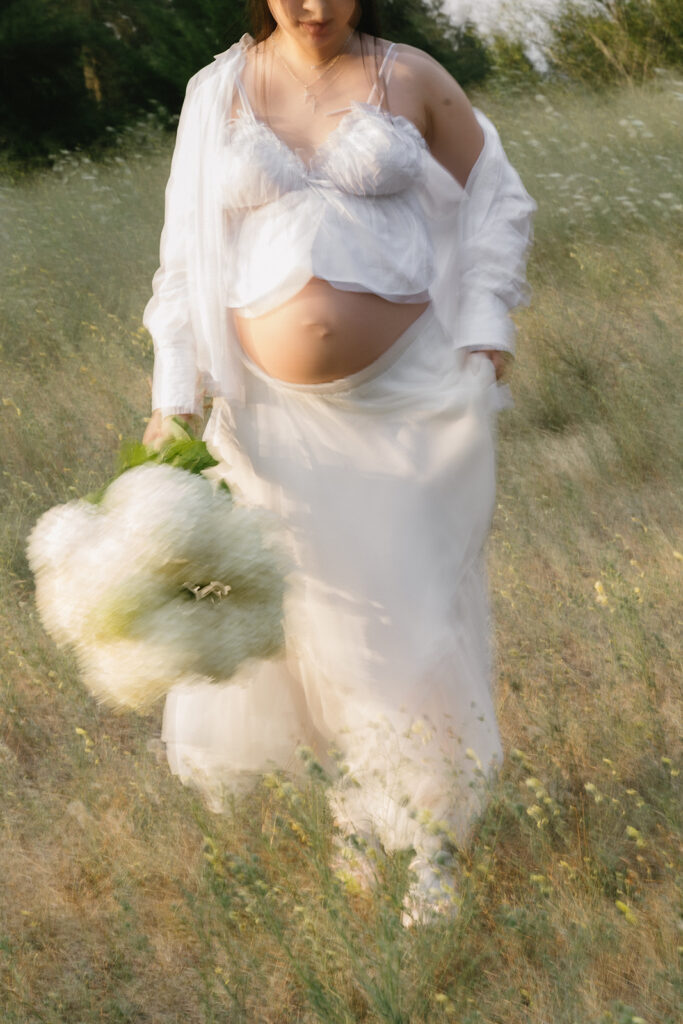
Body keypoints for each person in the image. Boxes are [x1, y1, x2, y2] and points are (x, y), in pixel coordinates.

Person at [141, 0, 536, 922]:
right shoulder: (216, 94)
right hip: (270, 423)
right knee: (321, 623)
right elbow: (183, 260)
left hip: (407, 409)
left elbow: (496, 198)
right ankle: (358, 813)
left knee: (411, 613)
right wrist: (175, 399)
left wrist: (485, 327)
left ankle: (434, 841)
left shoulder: (413, 76)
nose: (313, 5)